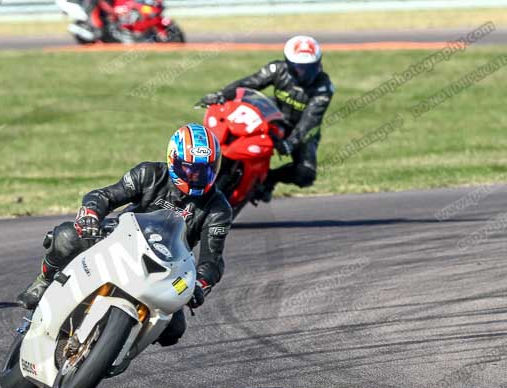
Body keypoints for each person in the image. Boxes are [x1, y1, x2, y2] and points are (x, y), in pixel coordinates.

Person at [17, 123, 232, 346]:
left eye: (204, 169)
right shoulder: (149, 173)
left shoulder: (218, 208)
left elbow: (213, 259)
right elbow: (105, 196)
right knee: (67, 237)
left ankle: (116, 348)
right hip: (118, 239)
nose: (196, 175)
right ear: (173, 160)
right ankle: (44, 280)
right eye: (190, 168)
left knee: (173, 329)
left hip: (165, 269)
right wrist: (91, 214)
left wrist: (201, 283)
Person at [199, 35, 334, 202]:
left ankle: (269, 179)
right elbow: (250, 82)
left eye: (310, 67)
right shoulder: (277, 69)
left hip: (302, 130)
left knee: (306, 174)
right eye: (299, 67)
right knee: (234, 131)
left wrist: (291, 143)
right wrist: (222, 94)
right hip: (274, 115)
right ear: (289, 63)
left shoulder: (324, 87)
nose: (304, 73)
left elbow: (310, 120)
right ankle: (213, 165)